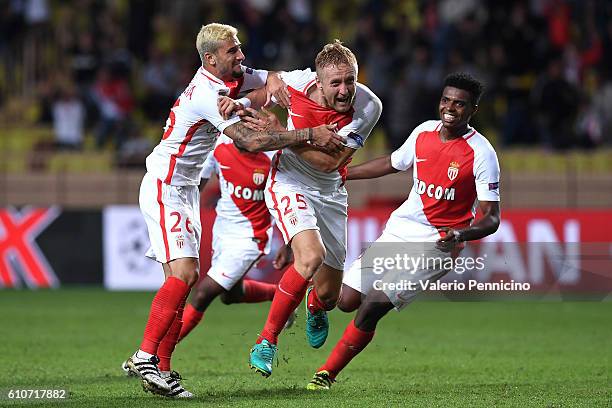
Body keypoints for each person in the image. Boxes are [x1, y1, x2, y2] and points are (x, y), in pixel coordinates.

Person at [125, 23, 344, 398]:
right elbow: (252, 140)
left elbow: (277, 78)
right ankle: (146, 356)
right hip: (166, 185)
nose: (241, 56)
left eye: (240, 49)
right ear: (210, 59)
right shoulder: (206, 92)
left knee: (181, 283)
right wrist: (308, 133)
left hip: (185, 190)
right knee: (187, 275)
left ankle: (161, 369)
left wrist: (262, 90)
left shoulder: (235, 78)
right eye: (232, 51)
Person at [305, 72, 501, 390]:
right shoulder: (424, 132)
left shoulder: (482, 154)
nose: (450, 108)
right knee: (345, 301)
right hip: (400, 231)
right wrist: (344, 173)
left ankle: (326, 373)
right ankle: (315, 299)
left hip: (437, 245)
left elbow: (491, 218)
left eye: (460, 104)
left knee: (372, 307)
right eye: (446, 100)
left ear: (473, 110)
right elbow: (393, 162)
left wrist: (460, 234)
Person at [241, 40, 383, 378]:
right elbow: (269, 84)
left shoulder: (368, 106)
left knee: (330, 295)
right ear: (318, 82)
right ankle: (266, 341)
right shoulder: (298, 83)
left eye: (350, 80)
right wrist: (252, 96)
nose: (345, 89)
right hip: (288, 181)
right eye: (336, 83)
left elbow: (328, 163)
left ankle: (315, 306)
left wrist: (286, 134)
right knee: (309, 257)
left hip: (330, 189)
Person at [177, 135, 294, 342]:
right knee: (230, 295)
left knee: (203, 294)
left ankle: (156, 354)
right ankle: (279, 295)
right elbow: (198, 186)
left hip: (252, 238)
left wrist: (289, 241)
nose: (240, 132)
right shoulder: (219, 145)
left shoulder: (273, 157)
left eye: (247, 128)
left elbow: (288, 200)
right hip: (222, 231)